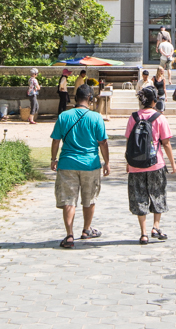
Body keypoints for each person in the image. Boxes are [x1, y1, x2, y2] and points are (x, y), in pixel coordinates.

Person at [50, 83, 110, 248]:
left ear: (75, 98)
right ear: (90, 99)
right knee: (89, 198)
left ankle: (69, 235)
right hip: (90, 164)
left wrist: (53, 158)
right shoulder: (96, 117)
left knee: (69, 200)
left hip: (67, 163)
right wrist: (107, 162)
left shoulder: (64, 116)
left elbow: (56, 140)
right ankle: (86, 229)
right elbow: (103, 142)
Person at [125, 86, 176, 244]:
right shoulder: (159, 118)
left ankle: (143, 233)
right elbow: (166, 143)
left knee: (139, 197)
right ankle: (156, 226)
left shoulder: (133, 117)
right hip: (156, 163)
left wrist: (127, 162)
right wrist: (173, 163)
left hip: (135, 165)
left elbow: (129, 142)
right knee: (157, 194)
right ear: (155, 100)